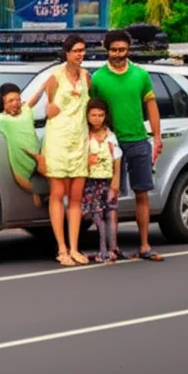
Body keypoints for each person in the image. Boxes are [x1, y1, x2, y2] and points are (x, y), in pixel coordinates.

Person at [89, 29, 164, 261]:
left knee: (142, 192)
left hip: (138, 140)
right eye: (114, 50)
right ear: (106, 49)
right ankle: (113, 248)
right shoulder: (98, 78)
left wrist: (157, 137)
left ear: (128, 50)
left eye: (122, 50)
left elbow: (151, 106)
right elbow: (92, 110)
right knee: (111, 196)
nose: (118, 54)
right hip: (111, 143)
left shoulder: (140, 75)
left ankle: (144, 245)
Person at [41, 35, 92, 267]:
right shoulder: (55, 77)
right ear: (67, 53)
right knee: (57, 193)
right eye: (76, 51)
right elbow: (48, 107)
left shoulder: (85, 77)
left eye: (82, 50)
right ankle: (61, 248)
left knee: (76, 197)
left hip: (80, 140)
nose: (80, 55)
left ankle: (74, 247)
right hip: (58, 141)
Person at [0, 83, 46, 207]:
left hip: (38, 160)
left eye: (18, 100)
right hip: (21, 164)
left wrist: (44, 86)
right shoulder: (2, 120)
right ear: (3, 104)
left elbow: (35, 98)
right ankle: (38, 194)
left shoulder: (26, 112)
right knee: (33, 189)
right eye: (10, 101)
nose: (15, 103)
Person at [82, 98, 123, 263]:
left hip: (107, 180)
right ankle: (103, 248)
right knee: (97, 215)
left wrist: (116, 179)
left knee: (111, 212)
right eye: (93, 115)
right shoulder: (85, 137)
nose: (97, 118)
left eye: (100, 115)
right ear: (87, 116)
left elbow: (117, 158)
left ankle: (114, 247)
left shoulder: (110, 136)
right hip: (91, 182)